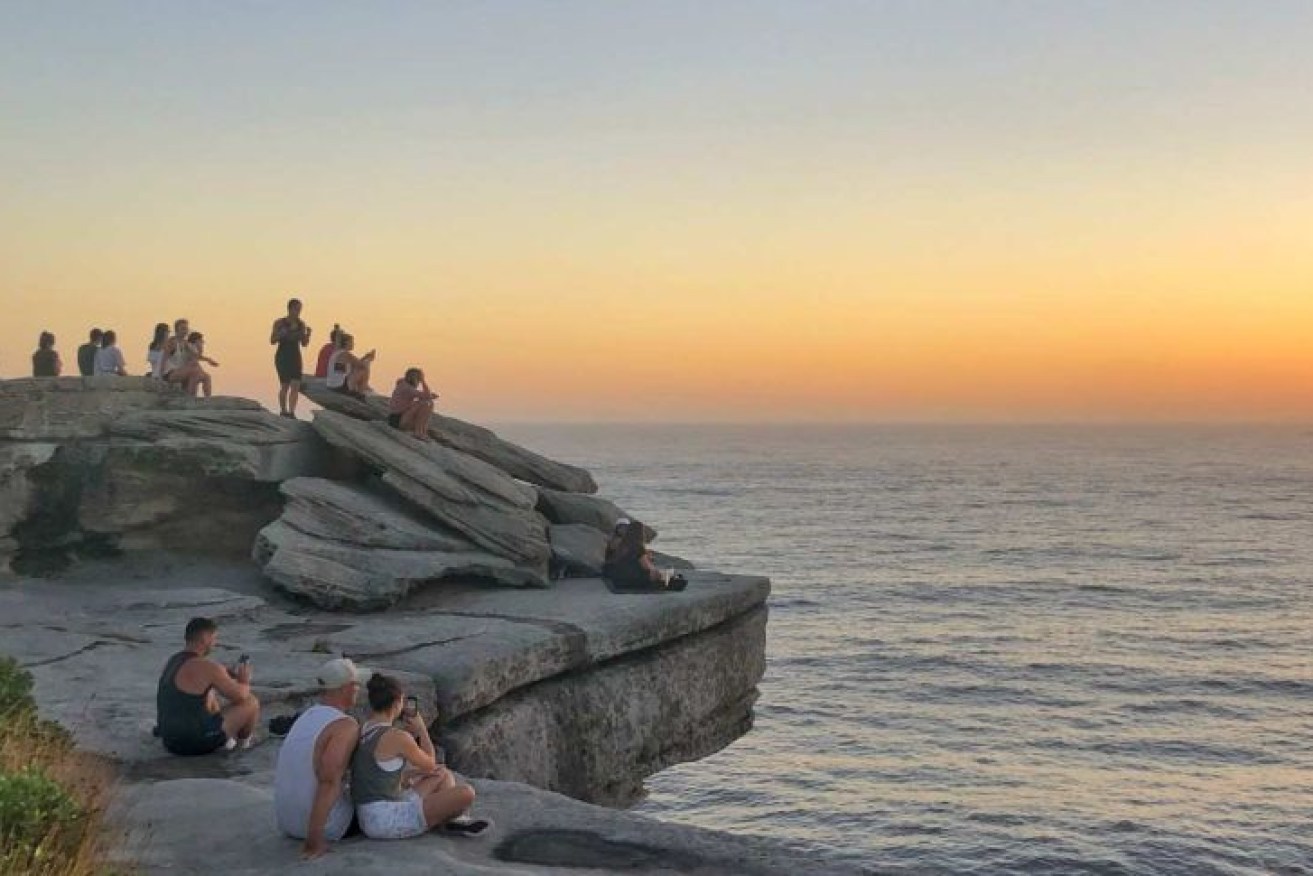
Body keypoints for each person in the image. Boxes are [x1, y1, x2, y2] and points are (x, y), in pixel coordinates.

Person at [351, 674, 488, 840]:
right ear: (396, 704)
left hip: (371, 814)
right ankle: (450, 818)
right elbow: (429, 763)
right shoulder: (397, 736)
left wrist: (416, 775)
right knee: (466, 793)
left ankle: (453, 819)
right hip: (387, 820)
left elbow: (376, 774)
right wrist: (422, 730)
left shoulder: (365, 728)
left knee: (443, 774)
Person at [273, 658, 368, 859]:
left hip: (287, 821)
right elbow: (328, 781)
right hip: (327, 827)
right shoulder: (345, 726)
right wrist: (314, 842)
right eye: (356, 685)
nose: (358, 689)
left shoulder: (306, 717)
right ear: (348, 688)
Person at [154, 617, 260, 756]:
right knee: (251, 702)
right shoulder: (207, 667)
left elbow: (199, 678)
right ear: (205, 638)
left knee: (208, 692)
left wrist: (224, 672)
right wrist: (244, 680)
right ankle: (242, 748)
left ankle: (226, 742)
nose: (215, 643)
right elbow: (240, 696)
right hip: (194, 743)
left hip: (170, 741)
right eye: (214, 638)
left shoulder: (173, 661)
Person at [602, 519, 687, 592]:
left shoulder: (623, 546)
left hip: (619, 579)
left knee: (658, 575)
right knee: (659, 574)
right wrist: (655, 570)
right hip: (633, 579)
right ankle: (671, 579)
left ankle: (670, 579)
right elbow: (647, 567)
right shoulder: (636, 547)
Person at [271, 298, 313, 419]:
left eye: (300, 309)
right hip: (283, 355)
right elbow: (272, 340)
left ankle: (292, 412)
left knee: (296, 385)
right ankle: (283, 411)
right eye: (296, 309)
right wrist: (281, 334)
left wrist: (308, 335)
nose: (298, 312)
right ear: (290, 309)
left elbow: (304, 344)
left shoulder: (301, 324)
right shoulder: (279, 323)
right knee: (285, 385)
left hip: (295, 355)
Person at [387, 368, 438, 439]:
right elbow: (427, 395)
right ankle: (419, 432)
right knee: (426, 403)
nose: (418, 382)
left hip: (399, 418)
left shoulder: (403, 384)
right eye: (418, 379)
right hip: (398, 420)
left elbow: (424, 395)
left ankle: (422, 430)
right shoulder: (406, 387)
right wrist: (423, 381)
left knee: (426, 402)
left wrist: (428, 396)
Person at [165, 331, 219, 397]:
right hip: (178, 371)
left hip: (185, 371)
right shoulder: (189, 346)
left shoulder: (192, 347)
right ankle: (192, 397)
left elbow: (196, 360)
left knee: (206, 376)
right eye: (201, 341)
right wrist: (208, 360)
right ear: (196, 341)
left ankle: (207, 398)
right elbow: (194, 357)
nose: (202, 343)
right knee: (196, 373)